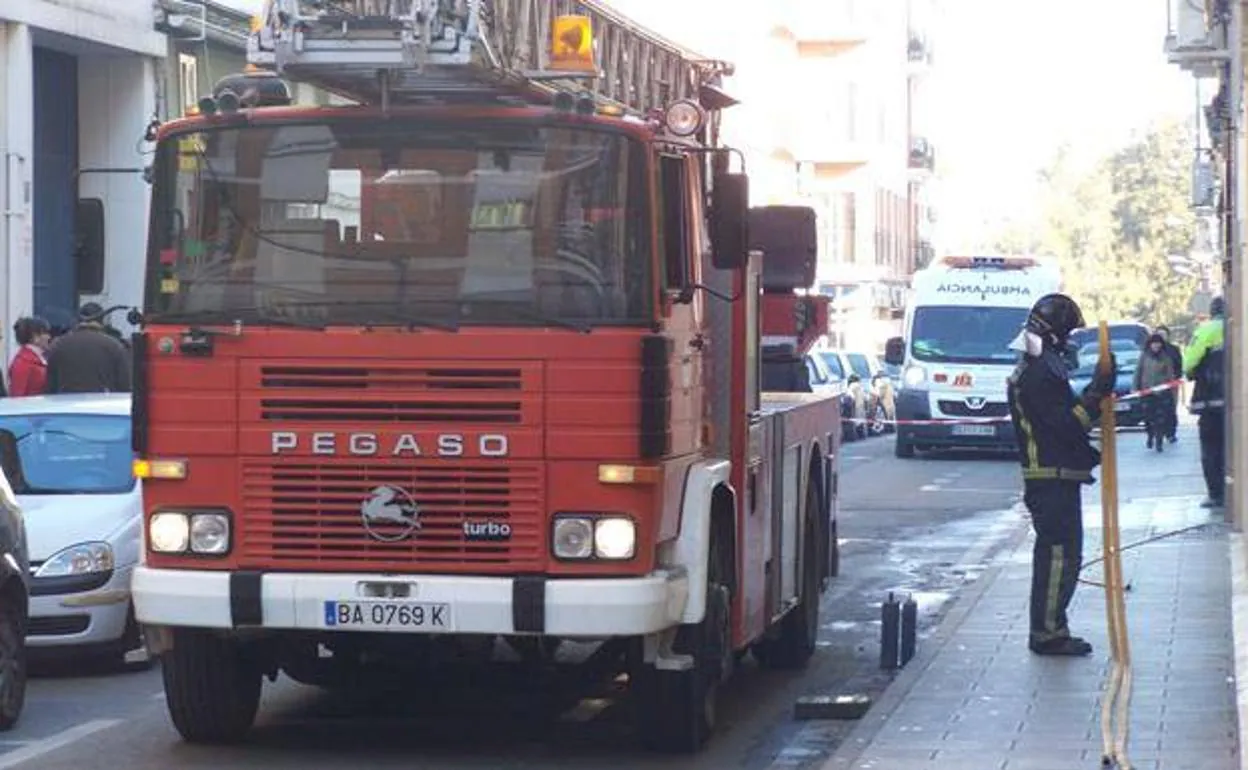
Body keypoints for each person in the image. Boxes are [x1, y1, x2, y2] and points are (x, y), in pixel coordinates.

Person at [1006, 293, 1115, 656]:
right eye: (1067, 333)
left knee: (1064, 556)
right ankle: (1047, 633)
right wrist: (1096, 395)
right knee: (1057, 559)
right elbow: (1068, 425)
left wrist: (1094, 393)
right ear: (1054, 333)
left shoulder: (1040, 368)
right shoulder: (1039, 374)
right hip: (1051, 479)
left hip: (1057, 476)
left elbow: (1066, 415)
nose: (1069, 342)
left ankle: (1054, 627)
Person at [1183, 296, 1226, 509]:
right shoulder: (1240, 327)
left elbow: (1189, 363)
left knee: (1211, 449)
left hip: (1210, 401)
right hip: (1237, 404)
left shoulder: (1206, 330)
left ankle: (1216, 494)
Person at [44, 302, 131, 394]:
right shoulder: (113, 345)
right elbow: (124, 385)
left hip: (65, 404)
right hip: (102, 404)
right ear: (102, 320)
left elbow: (50, 385)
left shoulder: (58, 344)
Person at [1135, 331, 1177, 452]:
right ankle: (1150, 436)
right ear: (1150, 345)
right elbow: (1138, 372)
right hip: (1147, 392)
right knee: (1148, 418)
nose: (1156, 346)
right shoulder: (1144, 356)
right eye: (1154, 344)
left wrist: (1171, 390)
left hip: (1162, 393)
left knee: (1160, 418)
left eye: (1158, 344)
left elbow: (1170, 375)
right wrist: (1136, 387)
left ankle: (1159, 442)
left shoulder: (1166, 358)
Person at [7, 316, 52, 397]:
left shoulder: (37, 358)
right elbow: (17, 396)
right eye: (45, 333)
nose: (49, 337)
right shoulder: (23, 362)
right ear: (35, 336)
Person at [1153, 325, 1183, 443]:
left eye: (1163, 335)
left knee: (1170, 409)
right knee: (1157, 410)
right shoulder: (1152, 350)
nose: (1161, 338)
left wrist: (1176, 378)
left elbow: (1179, 365)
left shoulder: (1173, 349)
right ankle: (1158, 432)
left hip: (1171, 384)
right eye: (1159, 335)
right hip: (1155, 385)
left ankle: (1171, 433)